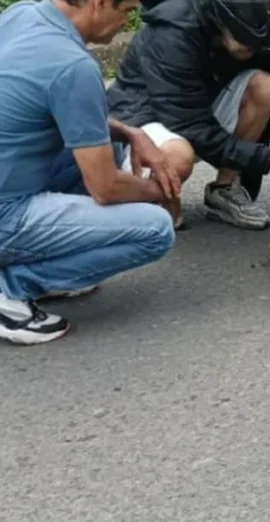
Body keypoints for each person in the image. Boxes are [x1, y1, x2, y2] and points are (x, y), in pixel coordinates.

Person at [0, 0, 180, 345]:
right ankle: (11, 288)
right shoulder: (74, 66)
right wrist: (162, 191)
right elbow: (106, 188)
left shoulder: (22, 13)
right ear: (98, 4)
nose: (128, 21)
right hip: (7, 212)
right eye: (126, 10)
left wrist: (130, 132)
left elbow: (38, 99)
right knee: (155, 229)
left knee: (107, 147)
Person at [106, 0, 270, 231]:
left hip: (196, 112)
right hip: (143, 122)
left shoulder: (257, 29)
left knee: (264, 86)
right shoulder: (171, 35)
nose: (254, 47)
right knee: (177, 161)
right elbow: (193, 128)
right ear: (223, 19)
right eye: (247, 40)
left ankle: (224, 190)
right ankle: (144, 198)